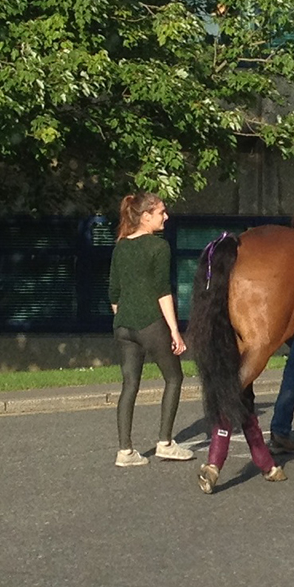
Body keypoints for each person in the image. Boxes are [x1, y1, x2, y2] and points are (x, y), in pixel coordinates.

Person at [108, 191, 194, 467]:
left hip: (122, 326)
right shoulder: (158, 247)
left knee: (129, 384)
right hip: (150, 323)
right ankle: (165, 443)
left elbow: (114, 293)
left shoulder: (120, 246)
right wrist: (175, 332)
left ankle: (125, 451)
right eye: (161, 212)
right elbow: (163, 292)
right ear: (146, 217)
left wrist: (125, 316)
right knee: (174, 378)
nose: (166, 217)